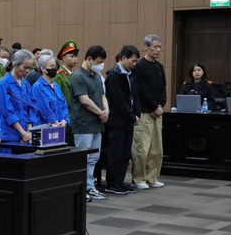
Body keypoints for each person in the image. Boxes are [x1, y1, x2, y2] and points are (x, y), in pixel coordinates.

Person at [71, 45, 109, 201]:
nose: (100, 65)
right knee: (83, 159)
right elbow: (84, 100)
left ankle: (89, 187)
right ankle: (80, 189)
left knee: (93, 158)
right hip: (83, 124)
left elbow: (103, 96)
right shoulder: (78, 76)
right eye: (99, 62)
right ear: (89, 59)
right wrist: (100, 112)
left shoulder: (97, 76)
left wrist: (106, 110)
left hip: (96, 124)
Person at [131, 34, 166, 190]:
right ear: (146, 47)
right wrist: (153, 107)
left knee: (156, 149)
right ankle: (139, 178)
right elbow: (141, 90)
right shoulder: (139, 66)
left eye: (159, 47)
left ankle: (152, 177)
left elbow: (163, 89)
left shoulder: (159, 67)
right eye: (155, 46)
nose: (158, 50)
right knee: (142, 148)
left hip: (157, 112)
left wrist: (161, 105)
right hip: (144, 112)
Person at [104, 45, 140, 196]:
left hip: (128, 121)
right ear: (124, 58)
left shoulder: (131, 74)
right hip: (117, 121)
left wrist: (136, 114)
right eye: (133, 60)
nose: (134, 64)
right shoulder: (114, 75)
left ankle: (120, 180)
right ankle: (112, 183)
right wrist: (131, 117)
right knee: (115, 153)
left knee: (125, 153)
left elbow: (135, 97)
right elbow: (119, 101)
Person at [0, 49, 35, 147]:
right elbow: (7, 112)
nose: (27, 71)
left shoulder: (25, 84)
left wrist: (29, 131)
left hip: (26, 137)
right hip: (9, 137)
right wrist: (22, 133)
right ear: (15, 64)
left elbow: (32, 108)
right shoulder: (4, 83)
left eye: (30, 68)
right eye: (25, 67)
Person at [31, 53, 69, 127]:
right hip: (45, 128)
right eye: (51, 66)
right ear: (43, 69)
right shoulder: (37, 87)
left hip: (60, 126)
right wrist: (54, 122)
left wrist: (65, 120)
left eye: (55, 66)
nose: (54, 69)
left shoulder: (56, 86)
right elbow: (43, 108)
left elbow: (64, 105)